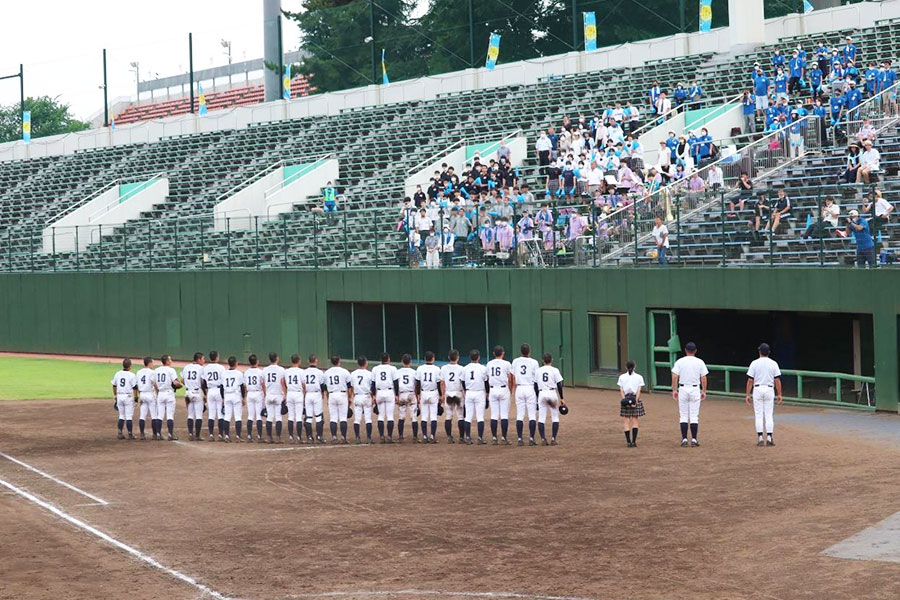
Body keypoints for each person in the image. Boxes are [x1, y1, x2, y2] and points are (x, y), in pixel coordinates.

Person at [671, 342, 708, 448]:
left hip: (682, 388)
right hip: (695, 388)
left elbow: (674, 376)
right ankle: (694, 439)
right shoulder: (700, 362)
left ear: (685, 350)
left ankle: (684, 439)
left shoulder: (680, 362)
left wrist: (674, 390)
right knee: (694, 416)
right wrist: (704, 391)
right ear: (695, 351)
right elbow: (704, 377)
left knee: (683, 415)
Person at [745, 343, 782, 447]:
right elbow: (777, 380)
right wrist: (780, 394)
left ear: (759, 351)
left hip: (757, 388)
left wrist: (747, 394)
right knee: (769, 414)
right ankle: (769, 437)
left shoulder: (754, 363)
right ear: (769, 352)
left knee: (759, 414)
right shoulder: (773, 363)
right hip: (769, 389)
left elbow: (750, 380)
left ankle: (760, 437)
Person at [511, 344, 540, 447]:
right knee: (532, 415)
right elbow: (537, 378)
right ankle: (531, 438)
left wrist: (513, 389)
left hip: (519, 388)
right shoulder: (534, 362)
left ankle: (519, 439)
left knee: (520, 415)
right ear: (529, 351)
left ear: (521, 351)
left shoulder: (515, 361)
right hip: (530, 387)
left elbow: (512, 376)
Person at [536, 353, 565, 446]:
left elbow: (535, 385)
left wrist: (537, 397)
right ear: (552, 360)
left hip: (542, 393)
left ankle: (543, 439)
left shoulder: (538, 370)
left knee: (541, 418)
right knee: (555, 417)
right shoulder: (555, 370)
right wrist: (562, 398)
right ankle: (553, 439)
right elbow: (559, 384)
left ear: (542, 361)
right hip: (552, 393)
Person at [462, 349, 489, 445]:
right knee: (480, 417)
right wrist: (487, 394)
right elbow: (486, 382)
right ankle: (480, 438)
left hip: (469, 393)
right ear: (478, 357)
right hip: (479, 393)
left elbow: (462, 381)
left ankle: (468, 437)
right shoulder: (483, 368)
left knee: (468, 417)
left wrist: (466, 390)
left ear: (470, 357)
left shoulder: (465, 368)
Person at [415, 351, 442, 443]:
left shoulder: (420, 368)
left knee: (424, 416)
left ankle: (424, 436)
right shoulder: (437, 369)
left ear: (425, 359)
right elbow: (438, 384)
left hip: (423, 393)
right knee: (433, 416)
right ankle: (432, 436)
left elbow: (417, 383)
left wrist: (418, 394)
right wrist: (441, 395)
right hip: (433, 392)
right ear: (433, 358)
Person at [617, 360, 645, 448]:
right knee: (635, 421)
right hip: (634, 398)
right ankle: (634, 441)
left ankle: (628, 442)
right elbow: (639, 390)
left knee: (626, 420)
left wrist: (624, 401)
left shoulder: (622, 377)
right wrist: (635, 402)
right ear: (635, 367)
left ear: (626, 367)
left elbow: (621, 390)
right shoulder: (639, 377)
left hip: (626, 397)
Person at [440, 349, 465, 443]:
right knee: (460, 416)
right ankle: (461, 438)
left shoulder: (443, 368)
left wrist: (442, 394)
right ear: (458, 357)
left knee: (448, 416)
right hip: (458, 393)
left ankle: (449, 437)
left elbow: (442, 383)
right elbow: (463, 382)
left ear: (448, 357)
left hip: (448, 393)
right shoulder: (461, 368)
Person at [371, 353, 398, 443]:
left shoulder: (375, 369)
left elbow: (373, 384)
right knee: (390, 416)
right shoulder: (393, 368)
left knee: (381, 416)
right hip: (389, 392)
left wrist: (374, 395)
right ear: (388, 359)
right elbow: (396, 383)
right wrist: (397, 395)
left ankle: (382, 436)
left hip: (379, 392)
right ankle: (389, 437)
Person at [154, 355, 181, 441]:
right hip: (169, 393)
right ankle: (170, 434)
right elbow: (175, 383)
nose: (171, 360)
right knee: (170, 415)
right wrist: (180, 385)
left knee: (160, 415)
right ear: (167, 361)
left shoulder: (156, 370)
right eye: (170, 359)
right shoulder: (171, 370)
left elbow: (155, 384)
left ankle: (158, 434)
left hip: (160, 393)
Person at [348, 356, 374, 444]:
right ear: (366, 363)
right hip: (367, 396)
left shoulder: (353, 374)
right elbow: (372, 387)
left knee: (357, 419)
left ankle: (357, 438)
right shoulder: (369, 374)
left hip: (357, 396)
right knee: (368, 419)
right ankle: (369, 438)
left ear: (358, 363)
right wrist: (373, 397)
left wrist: (350, 398)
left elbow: (351, 387)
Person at [262, 352, 286, 444]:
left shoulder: (264, 370)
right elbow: (282, 383)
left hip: (269, 395)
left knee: (269, 417)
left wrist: (265, 394)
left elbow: (263, 384)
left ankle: (268, 437)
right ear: (277, 358)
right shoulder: (281, 370)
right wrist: (284, 394)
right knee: (278, 417)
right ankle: (278, 437)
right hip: (278, 395)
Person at [111, 358, 138, 440]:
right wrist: (136, 398)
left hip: (119, 396)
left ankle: (120, 433)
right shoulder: (132, 375)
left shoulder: (117, 374)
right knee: (129, 416)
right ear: (130, 366)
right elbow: (135, 388)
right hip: (128, 397)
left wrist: (115, 395)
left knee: (121, 415)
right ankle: (130, 434)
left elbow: (114, 386)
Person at [202, 350, 225, 442]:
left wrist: (205, 392)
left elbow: (203, 382)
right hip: (219, 390)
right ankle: (220, 435)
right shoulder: (221, 368)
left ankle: (211, 434)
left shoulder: (206, 368)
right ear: (217, 357)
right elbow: (223, 383)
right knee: (220, 415)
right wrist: (223, 396)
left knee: (211, 414)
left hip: (210, 391)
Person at [181, 352, 205, 441]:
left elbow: (182, 380)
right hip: (197, 392)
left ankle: (190, 434)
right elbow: (203, 382)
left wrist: (188, 385)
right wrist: (204, 394)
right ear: (198, 359)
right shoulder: (201, 368)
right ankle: (198, 435)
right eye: (203, 359)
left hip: (188, 392)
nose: (204, 361)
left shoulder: (186, 367)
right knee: (198, 415)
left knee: (190, 415)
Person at [302, 354, 326, 444]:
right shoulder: (320, 372)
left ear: (308, 361)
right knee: (319, 417)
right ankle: (319, 436)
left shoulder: (304, 372)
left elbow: (303, 385)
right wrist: (322, 394)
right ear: (316, 361)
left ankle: (309, 437)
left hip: (308, 394)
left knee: (308, 417)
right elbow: (322, 385)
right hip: (316, 394)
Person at [395, 354, 419, 443]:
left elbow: (396, 384)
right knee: (414, 417)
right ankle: (415, 437)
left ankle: (401, 436)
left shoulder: (397, 371)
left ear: (402, 362)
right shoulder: (414, 372)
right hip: (411, 394)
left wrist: (396, 395)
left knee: (401, 416)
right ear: (411, 362)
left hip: (401, 394)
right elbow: (416, 385)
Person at [222, 356, 245, 443]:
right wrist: (243, 397)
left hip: (227, 395)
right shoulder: (239, 373)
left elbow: (221, 387)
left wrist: (223, 398)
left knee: (227, 416)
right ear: (236, 363)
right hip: (236, 396)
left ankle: (227, 436)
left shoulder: (224, 373)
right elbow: (242, 386)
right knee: (238, 417)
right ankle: (238, 436)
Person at [244, 354, 265, 442]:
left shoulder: (246, 372)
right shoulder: (260, 372)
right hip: (258, 393)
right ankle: (259, 436)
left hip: (250, 394)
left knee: (250, 416)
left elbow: (245, 386)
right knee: (258, 416)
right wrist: (265, 394)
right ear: (257, 362)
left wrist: (245, 396)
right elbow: (263, 384)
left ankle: (249, 436)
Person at [284, 354, 305, 443]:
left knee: (291, 417)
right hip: (298, 394)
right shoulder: (301, 371)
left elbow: (284, 383)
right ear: (299, 361)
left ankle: (291, 437)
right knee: (299, 417)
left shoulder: (287, 371)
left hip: (290, 393)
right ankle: (299, 437)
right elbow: (304, 384)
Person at [136, 357, 156, 440]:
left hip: (142, 394)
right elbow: (154, 383)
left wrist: (139, 395)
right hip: (150, 394)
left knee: (142, 415)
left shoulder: (138, 372)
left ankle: (142, 434)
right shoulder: (152, 372)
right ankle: (155, 434)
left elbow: (136, 385)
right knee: (154, 415)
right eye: (153, 362)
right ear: (149, 363)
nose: (153, 364)